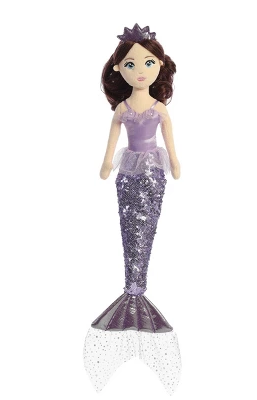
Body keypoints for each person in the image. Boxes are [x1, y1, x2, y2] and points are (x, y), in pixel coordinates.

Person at [83, 24, 182, 395]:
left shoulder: (159, 108)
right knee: (129, 225)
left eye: (148, 63)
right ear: (118, 69)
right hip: (127, 174)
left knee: (148, 225)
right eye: (130, 64)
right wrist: (106, 163)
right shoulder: (122, 109)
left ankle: (138, 288)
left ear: (160, 66)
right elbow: (111, 141)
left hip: (153, 171)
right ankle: (132, 289)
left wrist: (175, 162)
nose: (140, 70)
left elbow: (170, 140)